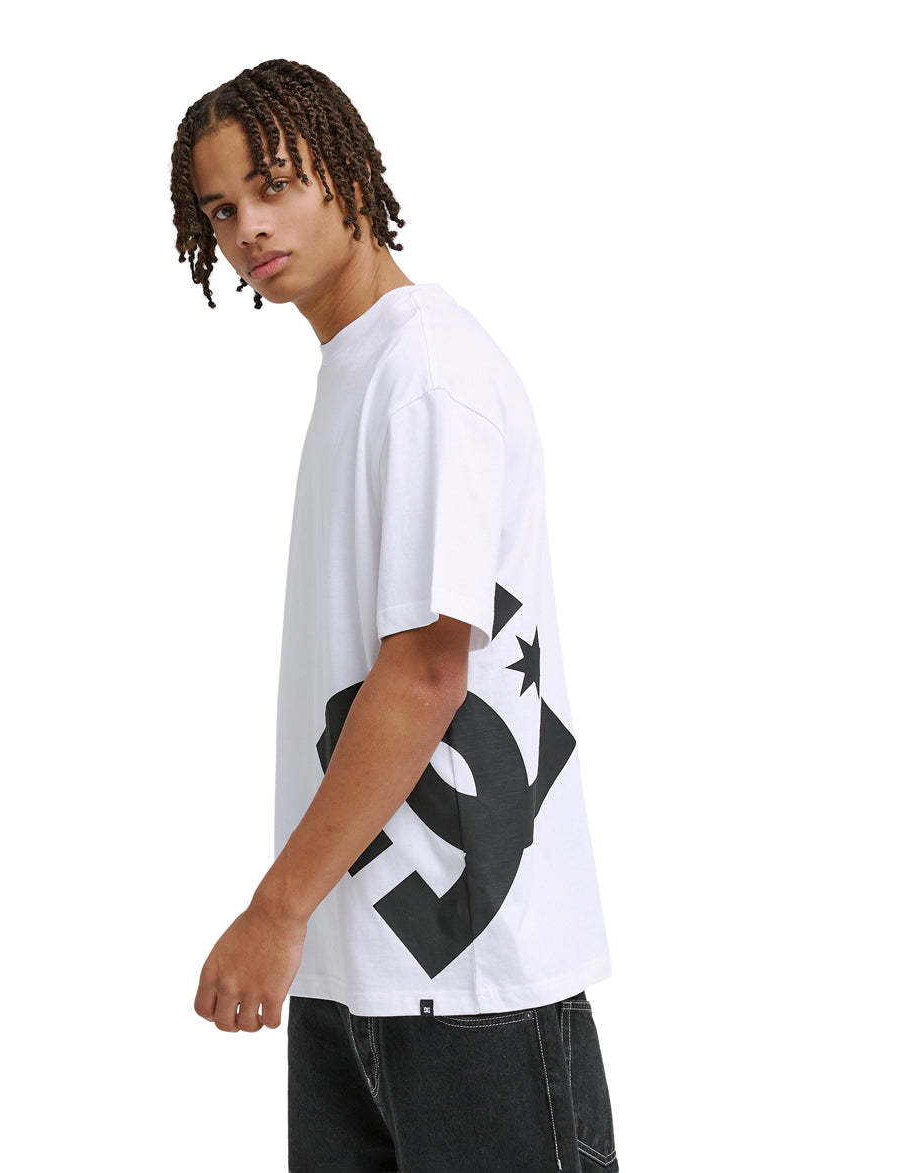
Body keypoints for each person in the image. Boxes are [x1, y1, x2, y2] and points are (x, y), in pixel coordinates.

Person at [171, 58, 621, 1172]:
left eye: (273, 184)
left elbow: (425, 673)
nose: (246, 227)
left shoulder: (426, 374)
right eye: (220, 209)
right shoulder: (360, 368)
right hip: (361, 975)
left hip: (472, 982)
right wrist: (306, 929)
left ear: (350, 171)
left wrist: (274, 912)